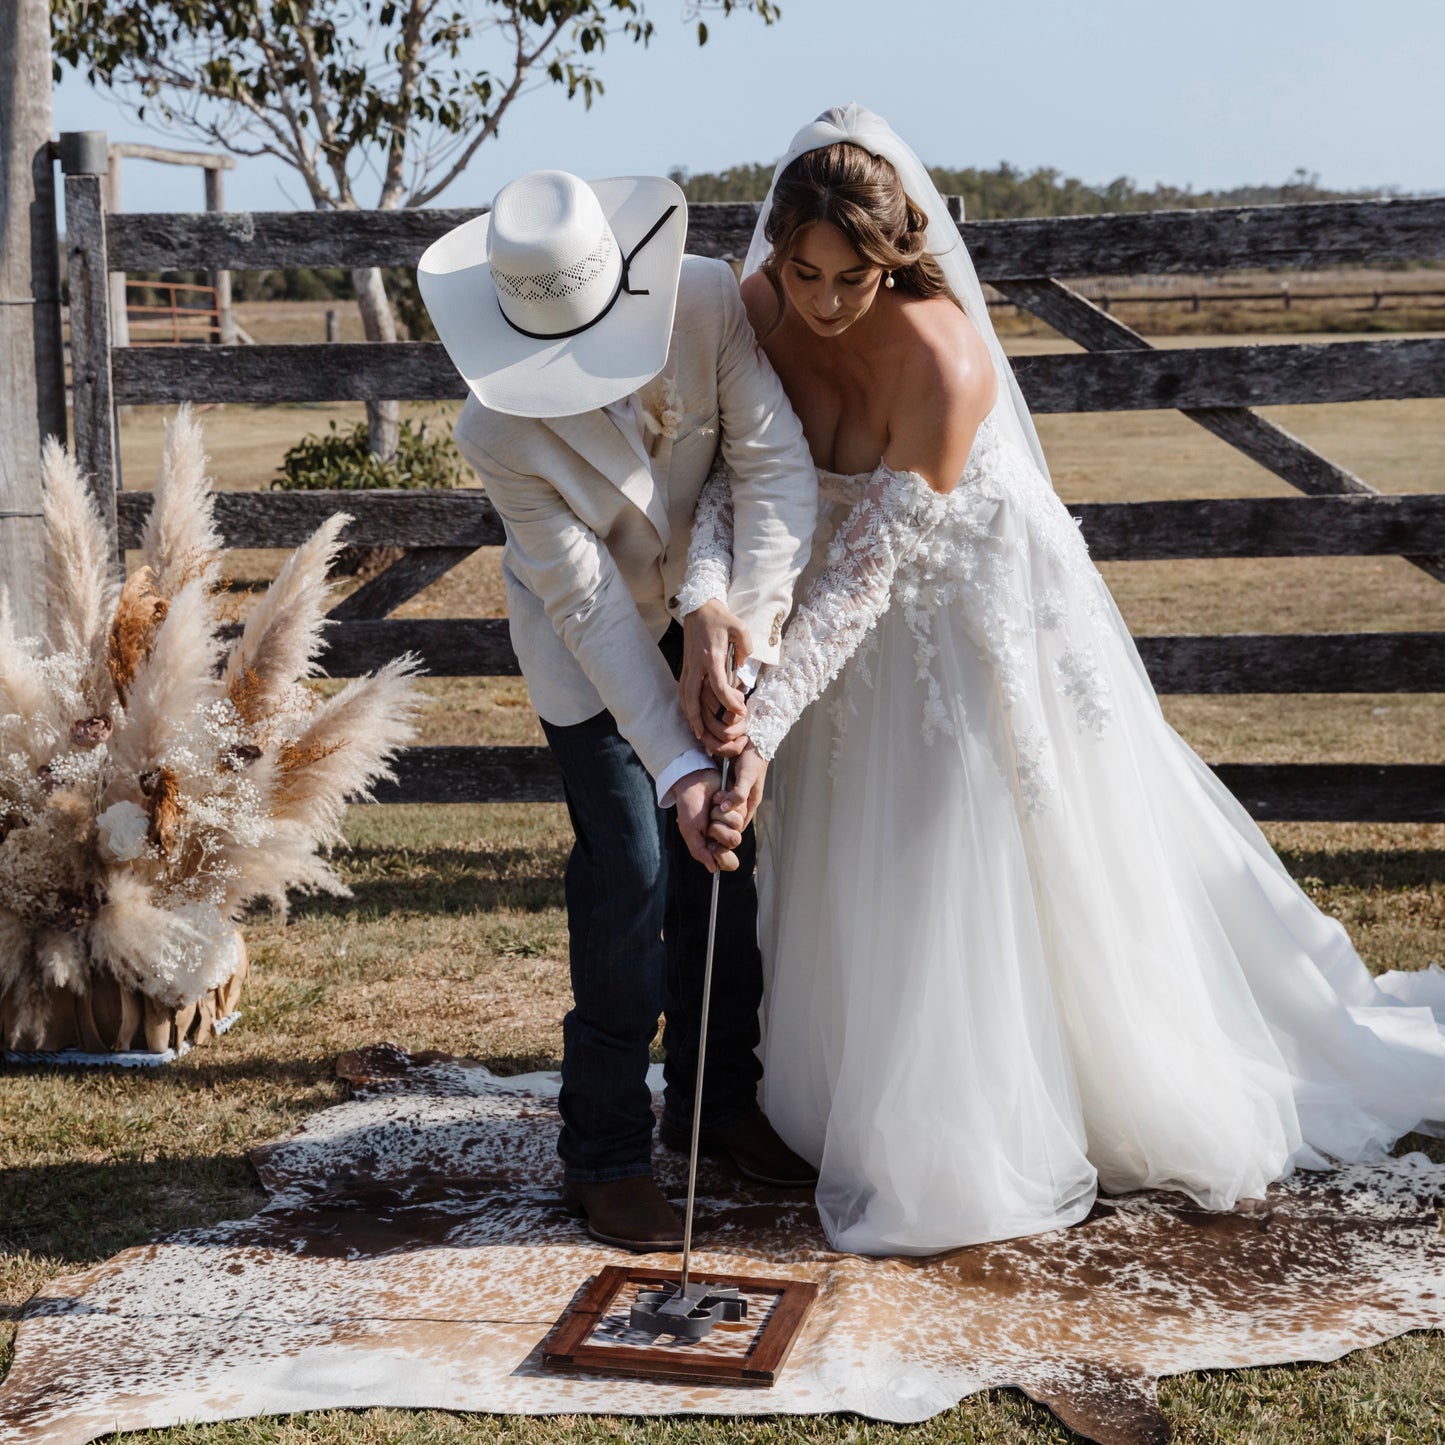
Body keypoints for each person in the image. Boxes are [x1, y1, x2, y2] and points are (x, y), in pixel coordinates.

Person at [681, 105, 1445, 1257]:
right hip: (831, 608)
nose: (826, 304)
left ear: (898, 258)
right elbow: (734, 483)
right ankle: (836, 1092)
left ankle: (1004, 1105)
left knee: (958, 845)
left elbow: (868, 576)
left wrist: (761, 730)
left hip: (958, 609)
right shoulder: (755, 312)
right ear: (773, 252)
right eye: (803, 273)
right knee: (850, 851)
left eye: (854, 278)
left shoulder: (943, 360)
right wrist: (717, 620)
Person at [417, 168, 819, 1253]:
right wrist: (675, 771)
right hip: (582, 648)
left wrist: (740, 642)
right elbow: (587, 604)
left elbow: (773, 468)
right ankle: (602, 1150)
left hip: (714, 605)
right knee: (632, 867)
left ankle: (714, 1094)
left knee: (724, 853)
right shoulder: (494, 426)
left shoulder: (704, 300)